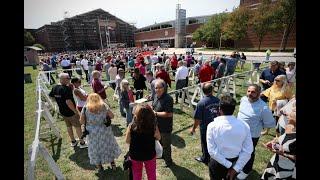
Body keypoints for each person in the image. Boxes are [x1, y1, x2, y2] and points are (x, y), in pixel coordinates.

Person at [206, 94, 253, 180]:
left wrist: (229, 165)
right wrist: (235, 168)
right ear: (234, 109)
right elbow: (248, 150)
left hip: (217, 161)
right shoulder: (244, 125)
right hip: (235, 161)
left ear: (219, 109)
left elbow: (212, 151)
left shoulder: (212, 126)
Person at [236, 84, 276, 179]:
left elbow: (270, 123)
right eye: (248, 91)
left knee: (249, 152)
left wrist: (258, 126)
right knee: (239, 150)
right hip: (238, 132)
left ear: (259, 94)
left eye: (253, 92)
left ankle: (246, 170)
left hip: (251, 136)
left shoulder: (264, 108)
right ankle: (239, 165)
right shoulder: (243, 99)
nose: (250, 93)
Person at [80, 93, 121, 172]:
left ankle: (99, 166)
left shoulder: (85, 108)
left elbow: (82, 121)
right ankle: (112, 163)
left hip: (92, 132)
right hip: (104, 130)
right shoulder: (104, 106)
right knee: (108, 146)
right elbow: (112, 116)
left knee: (95, 148)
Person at [49, 73, 87, 148]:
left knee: (68, 126)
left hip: (63, 111)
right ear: (62, 79)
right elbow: (68, 102)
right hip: (71, 112)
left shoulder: (54, 87)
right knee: (78, 127)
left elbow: (51, 97)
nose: (69, 79)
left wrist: (59, 102)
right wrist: (75, 111)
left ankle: (73, 141)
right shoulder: (66, 88)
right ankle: (82, 143)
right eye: (68, 78)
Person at [125, 104, 161, 180]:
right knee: (151, 173)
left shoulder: (131, 126)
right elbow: (158, 137)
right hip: (150, 154)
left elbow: (127, 140)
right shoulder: (153, 126)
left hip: (135, 155)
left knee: (137, 174)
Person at [261, 111, 296, 180]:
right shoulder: (289, 126)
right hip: (275, 162)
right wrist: (273, 141)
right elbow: (282, 138)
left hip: (287, 169)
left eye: (291, 115)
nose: (287, 115)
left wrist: (283, 154)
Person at [191, 83, 220, 165]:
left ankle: (205, 158)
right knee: (215, 142)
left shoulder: (201, 103)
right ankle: (215, 156)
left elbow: (197, 119)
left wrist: (193, 129)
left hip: (205, 127)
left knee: (205, 143)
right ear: (212, 90)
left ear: (203, 91)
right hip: (216, 125)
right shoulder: (218, 100)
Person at [152, 79, 174, 167]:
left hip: (165, 127)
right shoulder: (156, 96)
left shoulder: (168, 99)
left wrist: (155, 113)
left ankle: (168, 161)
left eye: (159, 88)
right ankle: (163, 156)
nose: (157, 90)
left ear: (164, 88)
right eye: (155, 88)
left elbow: (169, 114)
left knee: (166, 145)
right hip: (157, 126)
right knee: (160, 142)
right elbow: (154, 106)